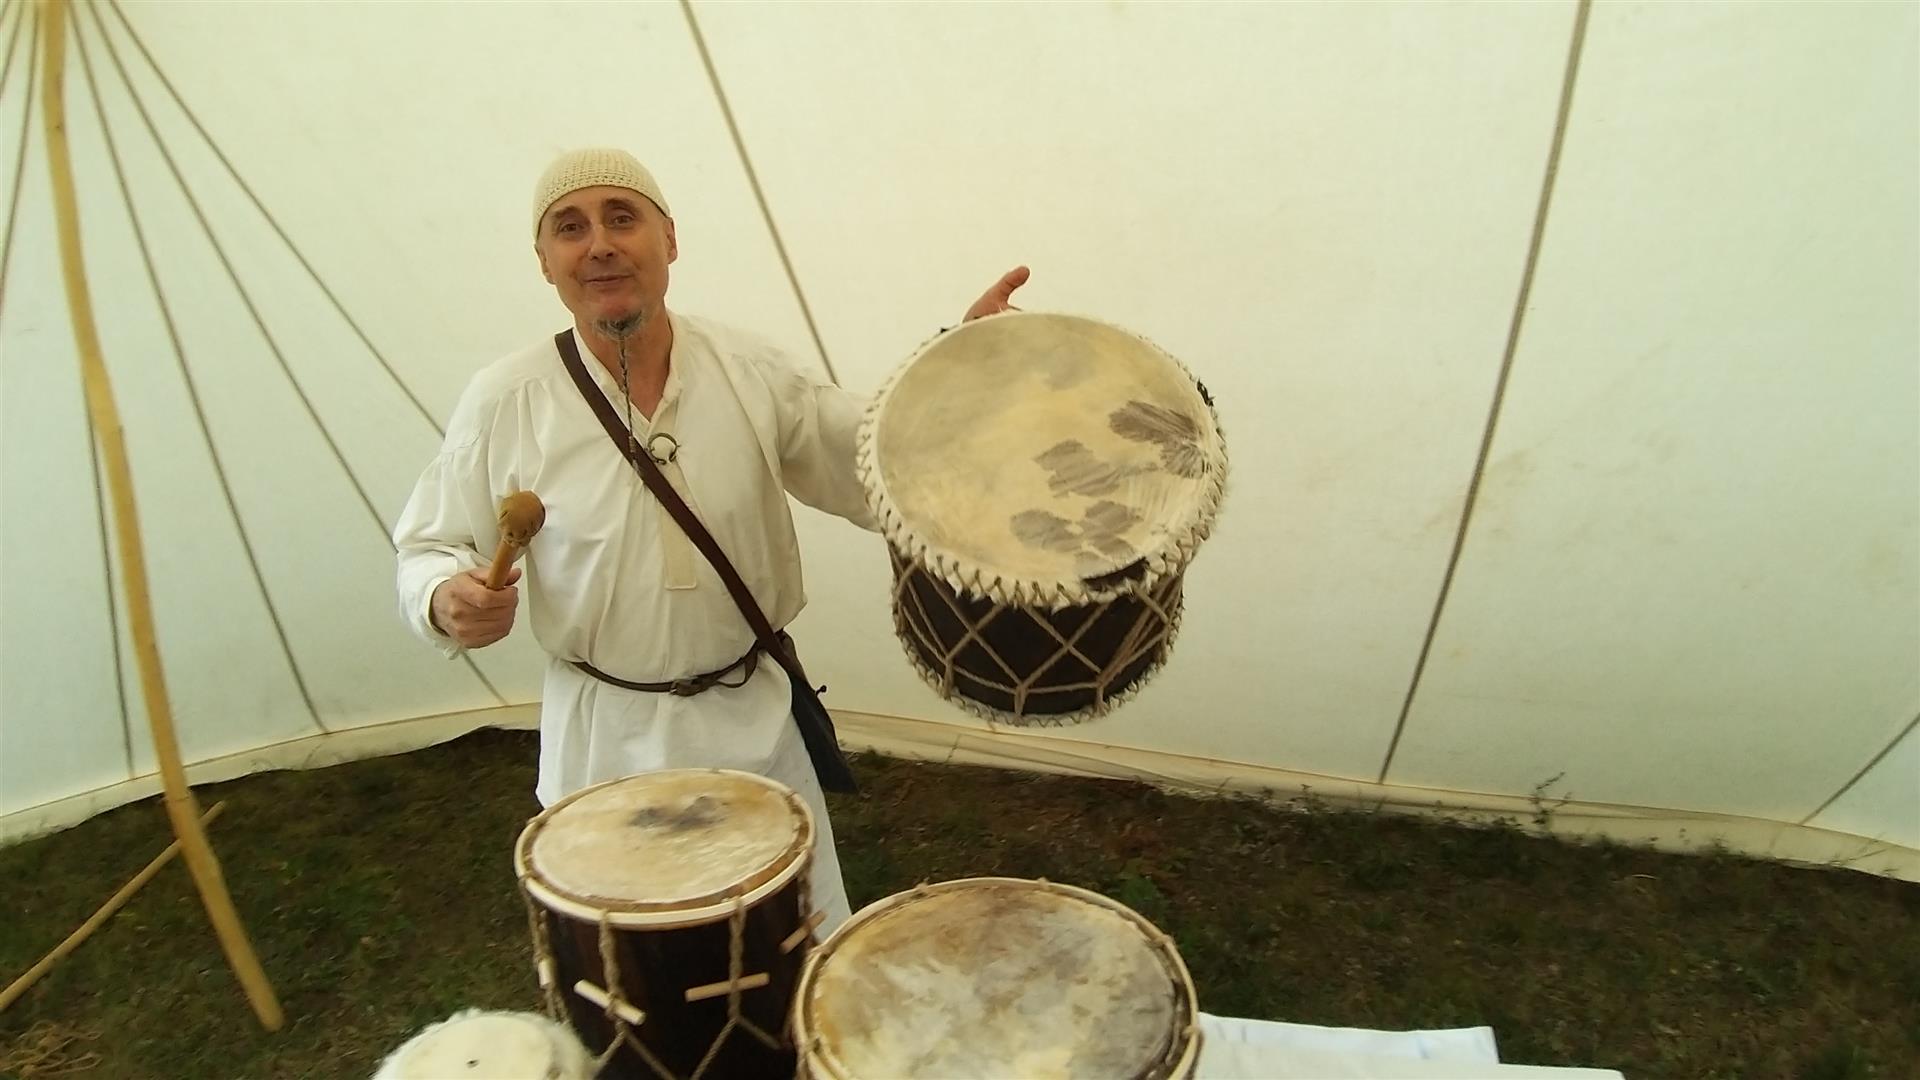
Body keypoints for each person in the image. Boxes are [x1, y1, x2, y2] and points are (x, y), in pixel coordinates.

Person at [391, 147, 1027, 930]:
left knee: (791, 955)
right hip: (604, 743)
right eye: (570, 227)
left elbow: (872, 463)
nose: (599, 245)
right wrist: (442, 598)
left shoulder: (750, 368)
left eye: (623, 218)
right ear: (545, 262)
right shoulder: (506, 400)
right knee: (642, 985)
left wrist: (958, 372)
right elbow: (430, 543)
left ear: (669, 240)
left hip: (752, 726)